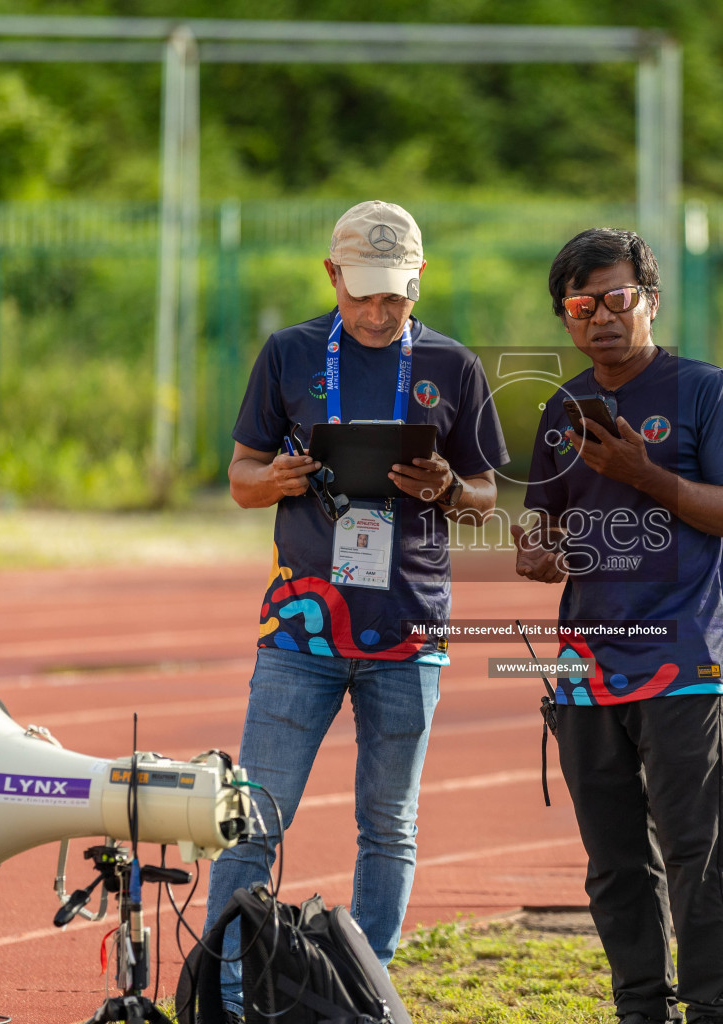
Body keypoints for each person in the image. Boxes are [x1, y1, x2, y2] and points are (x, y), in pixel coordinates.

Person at [204, 200, 508, 1021]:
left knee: (389, 825)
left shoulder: (454, 365)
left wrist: (448, 486)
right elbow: (240, 476)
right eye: (362, 293)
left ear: (419, 280)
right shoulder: (290, 354)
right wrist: (281, 480)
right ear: (332, 276)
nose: (377, 313)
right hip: (300, 626)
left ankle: (363, 994)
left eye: (395, 296)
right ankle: (225, 994)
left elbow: (486, 496)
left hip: (409, 628)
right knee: (251, 818)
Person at [513, 228, 723, 1024]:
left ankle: (715, 1009)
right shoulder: (562, 408)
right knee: (615, 865)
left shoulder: (705, 392)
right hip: (586, 670)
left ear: (650, 302)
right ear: (566, 317)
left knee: (697, 855)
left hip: (683, 661)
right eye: (582, 305)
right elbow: (543, 528)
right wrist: (537, 555)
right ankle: (640, 1010)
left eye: (619, 299)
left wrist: (642, 474)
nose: (602, 317)